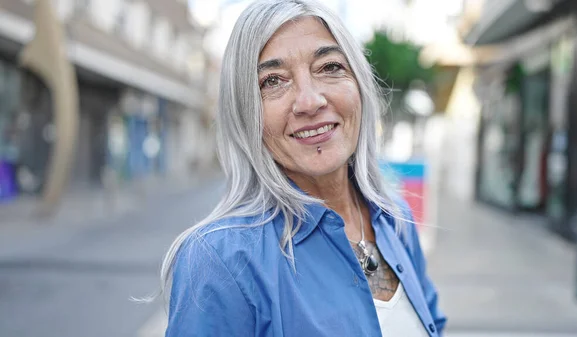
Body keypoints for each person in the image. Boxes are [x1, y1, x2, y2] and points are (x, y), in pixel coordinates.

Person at [162, 0, 446, 336]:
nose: (310, 101)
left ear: (359, 84)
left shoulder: (395, 218)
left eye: (329, 67)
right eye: (273, 81)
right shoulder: (219, 260)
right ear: (245, 112)